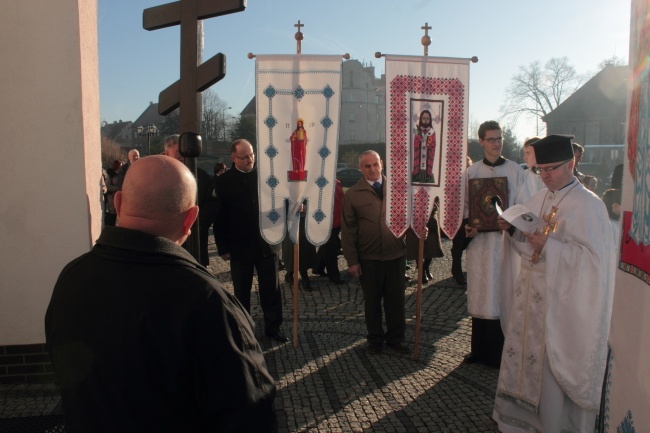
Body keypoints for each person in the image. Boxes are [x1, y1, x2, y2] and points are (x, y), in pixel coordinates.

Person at [45, 155, 277, 433]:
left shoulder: (71, 277)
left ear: (118, 204)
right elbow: (251, 417)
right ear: (190, 218)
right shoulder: (208, 303)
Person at [493, 134, 615, 433]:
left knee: (549, 369)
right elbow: (528, 241)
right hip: (531, 298)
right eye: (541, 169)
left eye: (552, 169)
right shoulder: (541, 197)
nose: (545, 176)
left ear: (571, 164)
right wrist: (513, 231)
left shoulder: (589, 206)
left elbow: (596, 266)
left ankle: (553, 425)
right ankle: (519, 424)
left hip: (559, 305)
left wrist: (551, 247)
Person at [463, 121, 527, 368]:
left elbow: (523, 205)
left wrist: (510, 224)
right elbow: (466, 206)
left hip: (505, 242)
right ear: (481, 142)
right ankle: (478, 350)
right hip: (480, 244)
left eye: (499, 139)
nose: (496, 143)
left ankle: (502, 353)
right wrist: (468, 225)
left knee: (503, 293)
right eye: (491, 139)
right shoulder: (471, 173)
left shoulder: (515, 171)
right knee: (480, 293)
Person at [215, 139, 288, 343]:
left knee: (271, 290)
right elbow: (219, 218)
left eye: (252, 155)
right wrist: (223, 247)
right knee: (241, 291)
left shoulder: (267, 177)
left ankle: (274, 328)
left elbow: (283, 199)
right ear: (233, 158)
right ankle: (243, 330)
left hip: (267, 243)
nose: (250, 159)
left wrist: (295, 206)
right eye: (245, 157)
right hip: (239, 246)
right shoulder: (223, 182)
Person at [341, 150, 410, 355]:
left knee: (395, 300)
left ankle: (396, 339)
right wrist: (352, 261)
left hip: (395, 253)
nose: (372, 169)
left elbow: (413, 213)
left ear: (382, 164)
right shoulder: (352, 194)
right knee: (372, 302)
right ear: (361, 169)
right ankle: (375, 339)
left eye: (375, 164)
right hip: (369, 257)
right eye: (367, 166)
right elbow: (348, 230)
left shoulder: (398, 188)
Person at [163, 134, 214, 267]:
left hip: (196, 237)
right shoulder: (158, 176)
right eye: (177, 152)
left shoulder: (202, 176)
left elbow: (212, 204)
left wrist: (197, 223)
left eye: (183, 151)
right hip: (169, 241)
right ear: (167, 153)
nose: (182, 155)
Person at [314, 179, 345, 284]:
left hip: (338, 220)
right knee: (331, 249)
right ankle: (334, 276)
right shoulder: (320, 181)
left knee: (327, 246)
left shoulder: (337, 182)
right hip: (327, 222)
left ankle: (318, 267)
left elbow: (342, 199)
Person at [405, 199, 443, 283]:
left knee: (431, 250)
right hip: (414, 219)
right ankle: (421, 273)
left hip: (430, 219)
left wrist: (435, 203)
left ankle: (426, 267)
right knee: (417, 250)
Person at [282, 203, 317, 291]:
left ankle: (303, 275)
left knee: (304, 250)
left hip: (304, 223)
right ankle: (290, 273)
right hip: (290, 223)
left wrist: (307, 207)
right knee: (291, 250)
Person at [450, 155, 473, 285]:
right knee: (458, 246)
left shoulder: (471, 180)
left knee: (464, 245)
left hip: (470, 215)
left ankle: (456, 270)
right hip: (459, 217)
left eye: (468, 166)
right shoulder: (455, 181)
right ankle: (457, 272)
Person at [412, 109, 438, 183]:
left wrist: (428, 145)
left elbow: (433, 143)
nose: (425, 120)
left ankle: (427, 176)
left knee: (427, 166)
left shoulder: (432, 132)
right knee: (418, 165)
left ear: (430, 120)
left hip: (428, 154)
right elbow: (415, 143)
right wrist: (419, 142)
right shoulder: (418, 131)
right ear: (421, 119)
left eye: (427, 118)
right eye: (423, 118)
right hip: (419, 154)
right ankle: (417, 175)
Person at [104, 159, 123, 226]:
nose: (121, 167)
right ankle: (111, 226)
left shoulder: (121, 174)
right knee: (112, 212)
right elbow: (108, 185)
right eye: (120, 165)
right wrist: (117, 188)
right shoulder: (110, 174)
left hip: (120, 195)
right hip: (112, 196)